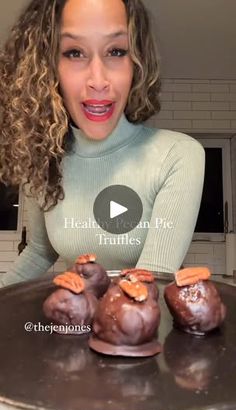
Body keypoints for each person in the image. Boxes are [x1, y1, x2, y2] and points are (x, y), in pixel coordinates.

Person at [0, 0, 205, 287]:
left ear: (137, 64)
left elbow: (148, 283)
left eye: (116, 51)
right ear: (47, 69)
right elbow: (38, 252)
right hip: (77, 322)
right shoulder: (43, 160)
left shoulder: (178, 155)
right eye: (74, 52)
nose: (98, 80)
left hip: (147, 325)